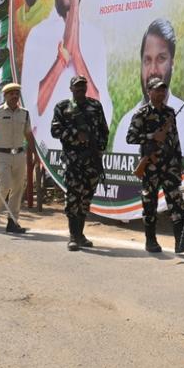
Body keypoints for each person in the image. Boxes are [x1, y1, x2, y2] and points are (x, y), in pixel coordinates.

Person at [22, 0, 112, 136]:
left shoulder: (95, 37)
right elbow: (31, 113)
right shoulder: (37, 36)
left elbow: (104, 114)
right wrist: (62, 59)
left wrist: (77, 54)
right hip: (50, 159)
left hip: (86, 156)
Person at [113, 19, 184, 158]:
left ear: (172, 63)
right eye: (147, 60)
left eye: (161, 59)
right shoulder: (125, 124)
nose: (153, 70)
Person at [126, 77, 184, 254]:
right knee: (150, 203)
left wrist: (178, 162)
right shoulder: (141, 113)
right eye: (157, 90)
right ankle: (151, 241)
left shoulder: (170, 113)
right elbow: (131, 137)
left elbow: (175, 139)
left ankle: (180, 242)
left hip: (170, 165)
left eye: (163, 90)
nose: (161, 93)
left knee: (176, 202)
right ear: (149, 92)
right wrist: (152, 136)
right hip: (151, 165)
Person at [51, 75, 110, 251]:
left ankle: (81, 234)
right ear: (71, 89)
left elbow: (104, 130)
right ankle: (73, 236)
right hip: (73, 160)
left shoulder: (95, 106)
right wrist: (76, 134)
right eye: (77, 87)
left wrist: (99, 148)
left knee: (86, 197)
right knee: (73, 197)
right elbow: (55, 130)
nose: (81, 90)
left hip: (92, 160)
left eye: (83, 87)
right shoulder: (63, 107)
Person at [0, 83, 34, 234]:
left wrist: (34, 154)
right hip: (2, 154)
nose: (15, 96)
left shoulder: (25, 113)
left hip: (19, 154)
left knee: (17, 188)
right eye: (11, 93)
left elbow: (29, 135)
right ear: (5, 96)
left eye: (17, 93)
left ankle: (12, 221)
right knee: (4, 185)